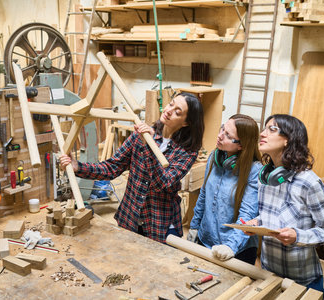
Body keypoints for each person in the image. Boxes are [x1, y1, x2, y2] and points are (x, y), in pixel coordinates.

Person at [59, 92, 204, 243]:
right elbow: (112, 167)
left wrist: (148, 146)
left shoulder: (187, 152)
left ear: (186, 122)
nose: (169, 110)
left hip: (159, 222)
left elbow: (162, 183)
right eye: (171, 104)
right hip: (130, 217)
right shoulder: (140, 136)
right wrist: (78, 167)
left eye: (177, 112)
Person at [244, 114, 324, 293]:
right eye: (264, 129)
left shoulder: (309, 182)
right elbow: (270, 215)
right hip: (270, 274)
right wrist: (257, 223)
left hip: (303, 280)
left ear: (288, 140)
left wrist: (297, 236)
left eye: (272, 130)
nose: (262, 134)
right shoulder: (265, 178)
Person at [187, 114, 262, 264]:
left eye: (228, 135)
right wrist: (194, 227)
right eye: (222, 129)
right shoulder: (215, 157)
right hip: (206, 240)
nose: (220, 136)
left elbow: (247, 215)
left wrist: (230, 246)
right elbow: (204, 195)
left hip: (236, 248)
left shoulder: (254, 171)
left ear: (241, 145)